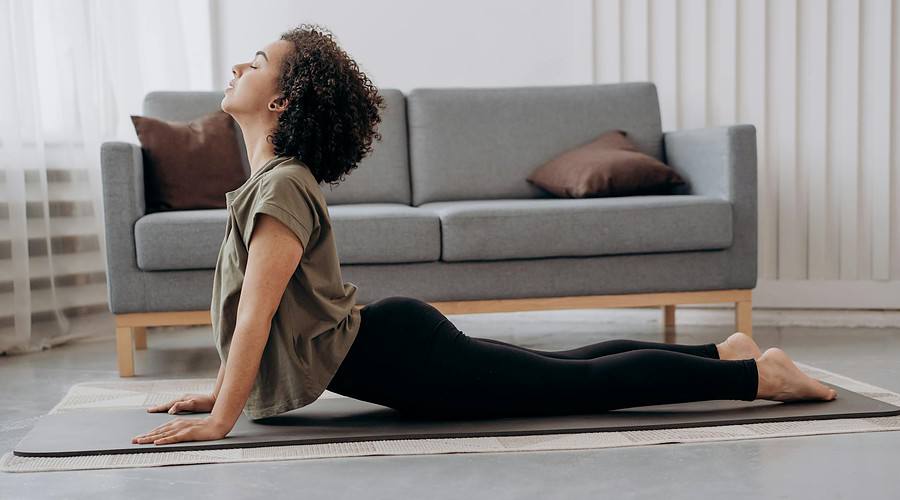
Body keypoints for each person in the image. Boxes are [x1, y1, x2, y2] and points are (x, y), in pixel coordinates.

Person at [132, 24, 837, 446]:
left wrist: (223, 416)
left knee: (581, 385)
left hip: (406, 355)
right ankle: (724, 350)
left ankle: (754, 375)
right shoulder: (270, 183)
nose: (237, 68)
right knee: (572, 368)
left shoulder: (282, 185)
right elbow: (256, 317)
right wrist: (221, 387)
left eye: (254, 63)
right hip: (398, 346)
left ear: (281, 99)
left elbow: (257, 314)